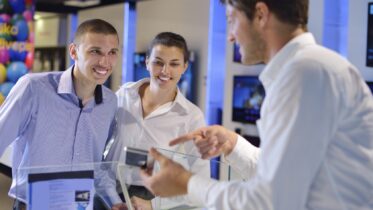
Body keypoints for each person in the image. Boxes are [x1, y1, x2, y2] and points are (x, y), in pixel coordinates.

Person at [140, 0, 373, 209]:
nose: (230, 36)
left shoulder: (306, 73)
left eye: (232, 20)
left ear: (260, 14)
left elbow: (270, 200)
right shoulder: (304, 70)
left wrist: (186, 183)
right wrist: (233, 144)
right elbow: (284, 174)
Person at [0, 19, 120, 210]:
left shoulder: (110, 102)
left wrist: (116, 202)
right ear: (73, 51)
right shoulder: (33, 88)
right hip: (34, 205)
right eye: (95, 51)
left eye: (112, 52)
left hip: (81, 204)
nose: (105, 62)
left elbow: (98, 165)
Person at [104, 32, 210, 210]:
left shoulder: (191, 116)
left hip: (149, 198)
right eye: (158, 62)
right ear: (146, 62)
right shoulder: (124, 95)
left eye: (174, 64)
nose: (165, 71)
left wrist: (154, 205)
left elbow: (201, 180)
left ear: (184, 67)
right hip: (109, 190)